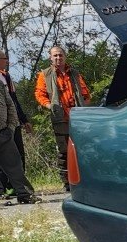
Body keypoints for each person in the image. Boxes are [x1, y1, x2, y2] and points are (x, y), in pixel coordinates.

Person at [0, 47, 35, 203]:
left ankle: (25, 194)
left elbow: (11, 105)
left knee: (14, 164)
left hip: (4, 131)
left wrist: (11, 127)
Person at [34, 44, 90, 190]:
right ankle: (67, 182)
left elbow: (85, 94)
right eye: (55, 55)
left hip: (77, 118)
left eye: (60, 55)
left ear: (65, 57)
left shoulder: (74, 73)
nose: (58, 58)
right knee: (64, 151)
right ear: (50, 58)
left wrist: (83, 108)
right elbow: (40, 94)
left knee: (80, 149)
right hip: (59, 118)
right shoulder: (44, 75)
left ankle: (82, 180)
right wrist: (49, 106)